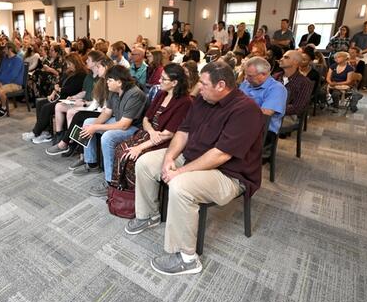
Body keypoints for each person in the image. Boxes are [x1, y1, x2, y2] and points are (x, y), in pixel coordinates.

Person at [125, 61, 264, 275]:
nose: (198, 87)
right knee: (145, 162)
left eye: (203, 83)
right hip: (192, 158)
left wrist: (178, 172)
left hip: (229, 174)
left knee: (180, 186)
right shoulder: (203, 99)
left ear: (221, 85)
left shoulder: (246, 110)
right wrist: (169, 158)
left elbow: (221, 154)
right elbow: (183, 131)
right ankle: (149, 215)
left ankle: (187, 258)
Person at [110, 64, 191, 192]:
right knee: (121, 149)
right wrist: (152, 132)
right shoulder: (161, 94)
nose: (159, 81)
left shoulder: (184, 102)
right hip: (149, 134)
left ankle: (134, 193)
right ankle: (121, 189)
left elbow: (168, 134)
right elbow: (146, 119)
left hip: (165, 142)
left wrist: (140, 147)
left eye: (164, 79)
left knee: (132, 157)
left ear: (175, 82)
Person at [73, 65, 147, 197]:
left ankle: (110, 182)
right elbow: (107, 113)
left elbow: (124, 125)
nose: (106, 82)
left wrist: (96, 127)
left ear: (120, 82)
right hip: (121, 122)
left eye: (109, 80)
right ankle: (92, 163)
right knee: (87, 123)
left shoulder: (135, 94)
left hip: (135, 129)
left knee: (107, 137)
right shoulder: (114, 92)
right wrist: (93, 126)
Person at [26, 53, 88, 144]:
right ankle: (45, 131)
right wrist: (55, 89)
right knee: (40, 103)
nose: (68, 66)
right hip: (61, 95)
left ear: (75, 63)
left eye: (69, 64)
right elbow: (59, 82)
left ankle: (36, 131)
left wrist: (59, 89)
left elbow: (72, 89)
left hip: (69, 98)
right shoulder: (69, 72)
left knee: (46, 107)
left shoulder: (81, 75)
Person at [239, 57, 287, 146]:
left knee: (228, 141)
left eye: (250, 76)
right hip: (241, 124)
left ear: (264, 74)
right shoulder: (246, 83)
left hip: (264, 131)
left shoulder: (277, 89)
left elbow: (264, 115)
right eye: (246, 74)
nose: (246, 78)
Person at [275, 50, 314, 128]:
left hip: (289, 116)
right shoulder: (275, 77)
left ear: (295, 62)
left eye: (286, 57)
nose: (281, 59)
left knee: (261, 121)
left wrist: (273, 109)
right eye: (282, 57)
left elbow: (297, 107)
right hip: (271, 110)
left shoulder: (304, 82)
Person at [350, 20, 367, 89]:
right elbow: (352, 45)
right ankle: (353, 83)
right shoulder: (357, 35)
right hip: (356, 54)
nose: (366, 27)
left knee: (366, 70)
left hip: (366, 55)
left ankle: (363, 85)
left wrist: (362, 51)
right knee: (354, 68)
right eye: (365, 26)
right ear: (363, 26)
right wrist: (357, 52)